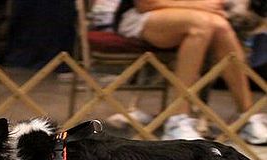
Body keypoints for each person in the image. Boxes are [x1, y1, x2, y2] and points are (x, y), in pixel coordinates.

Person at [114, 0, 267, 144]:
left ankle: (246, 116)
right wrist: (199, 5)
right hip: (140, 16)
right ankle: (177, 120)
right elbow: (146, 4)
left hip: (197, 16)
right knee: (201, 24)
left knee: (221, 27)